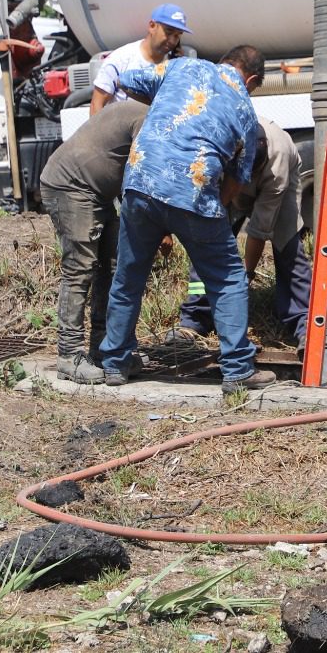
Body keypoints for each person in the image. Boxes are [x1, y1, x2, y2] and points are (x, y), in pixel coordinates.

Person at [98, 45, 277, 393]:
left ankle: (115, 363)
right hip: (192, 190)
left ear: (226, 60)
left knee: (128, 277)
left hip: (140, 181)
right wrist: (211, 208)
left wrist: (168, 106)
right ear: (251, 78)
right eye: (253, 85)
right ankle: (238, 369)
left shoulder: (181, 68)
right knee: (227, 279)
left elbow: (127, 78)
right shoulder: (244, 108)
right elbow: (238, 179)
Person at [38, 100, 149, 384]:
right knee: (80, 268)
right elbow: (139, 174)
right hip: (70, 186)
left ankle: (104, 348)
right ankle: (68, 355)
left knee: (110, 266)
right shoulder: (146, 118)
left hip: (96, 192)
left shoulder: (143, 111)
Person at [176, 120, 310, 348]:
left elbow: (258, 231)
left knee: (287, 247)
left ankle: (304, 325)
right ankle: (194, 319)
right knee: (207, 243)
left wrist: (245, 273)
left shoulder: (277, 166)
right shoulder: (218, 144)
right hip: (227, 176)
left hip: (277, 183)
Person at [89, 3, 191, 114]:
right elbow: (96, 105)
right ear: (152, 26)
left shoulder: (175, 65)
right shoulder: (120, 59)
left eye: (177, 35)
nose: (172, 40)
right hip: (124, 129)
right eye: (168, 32)